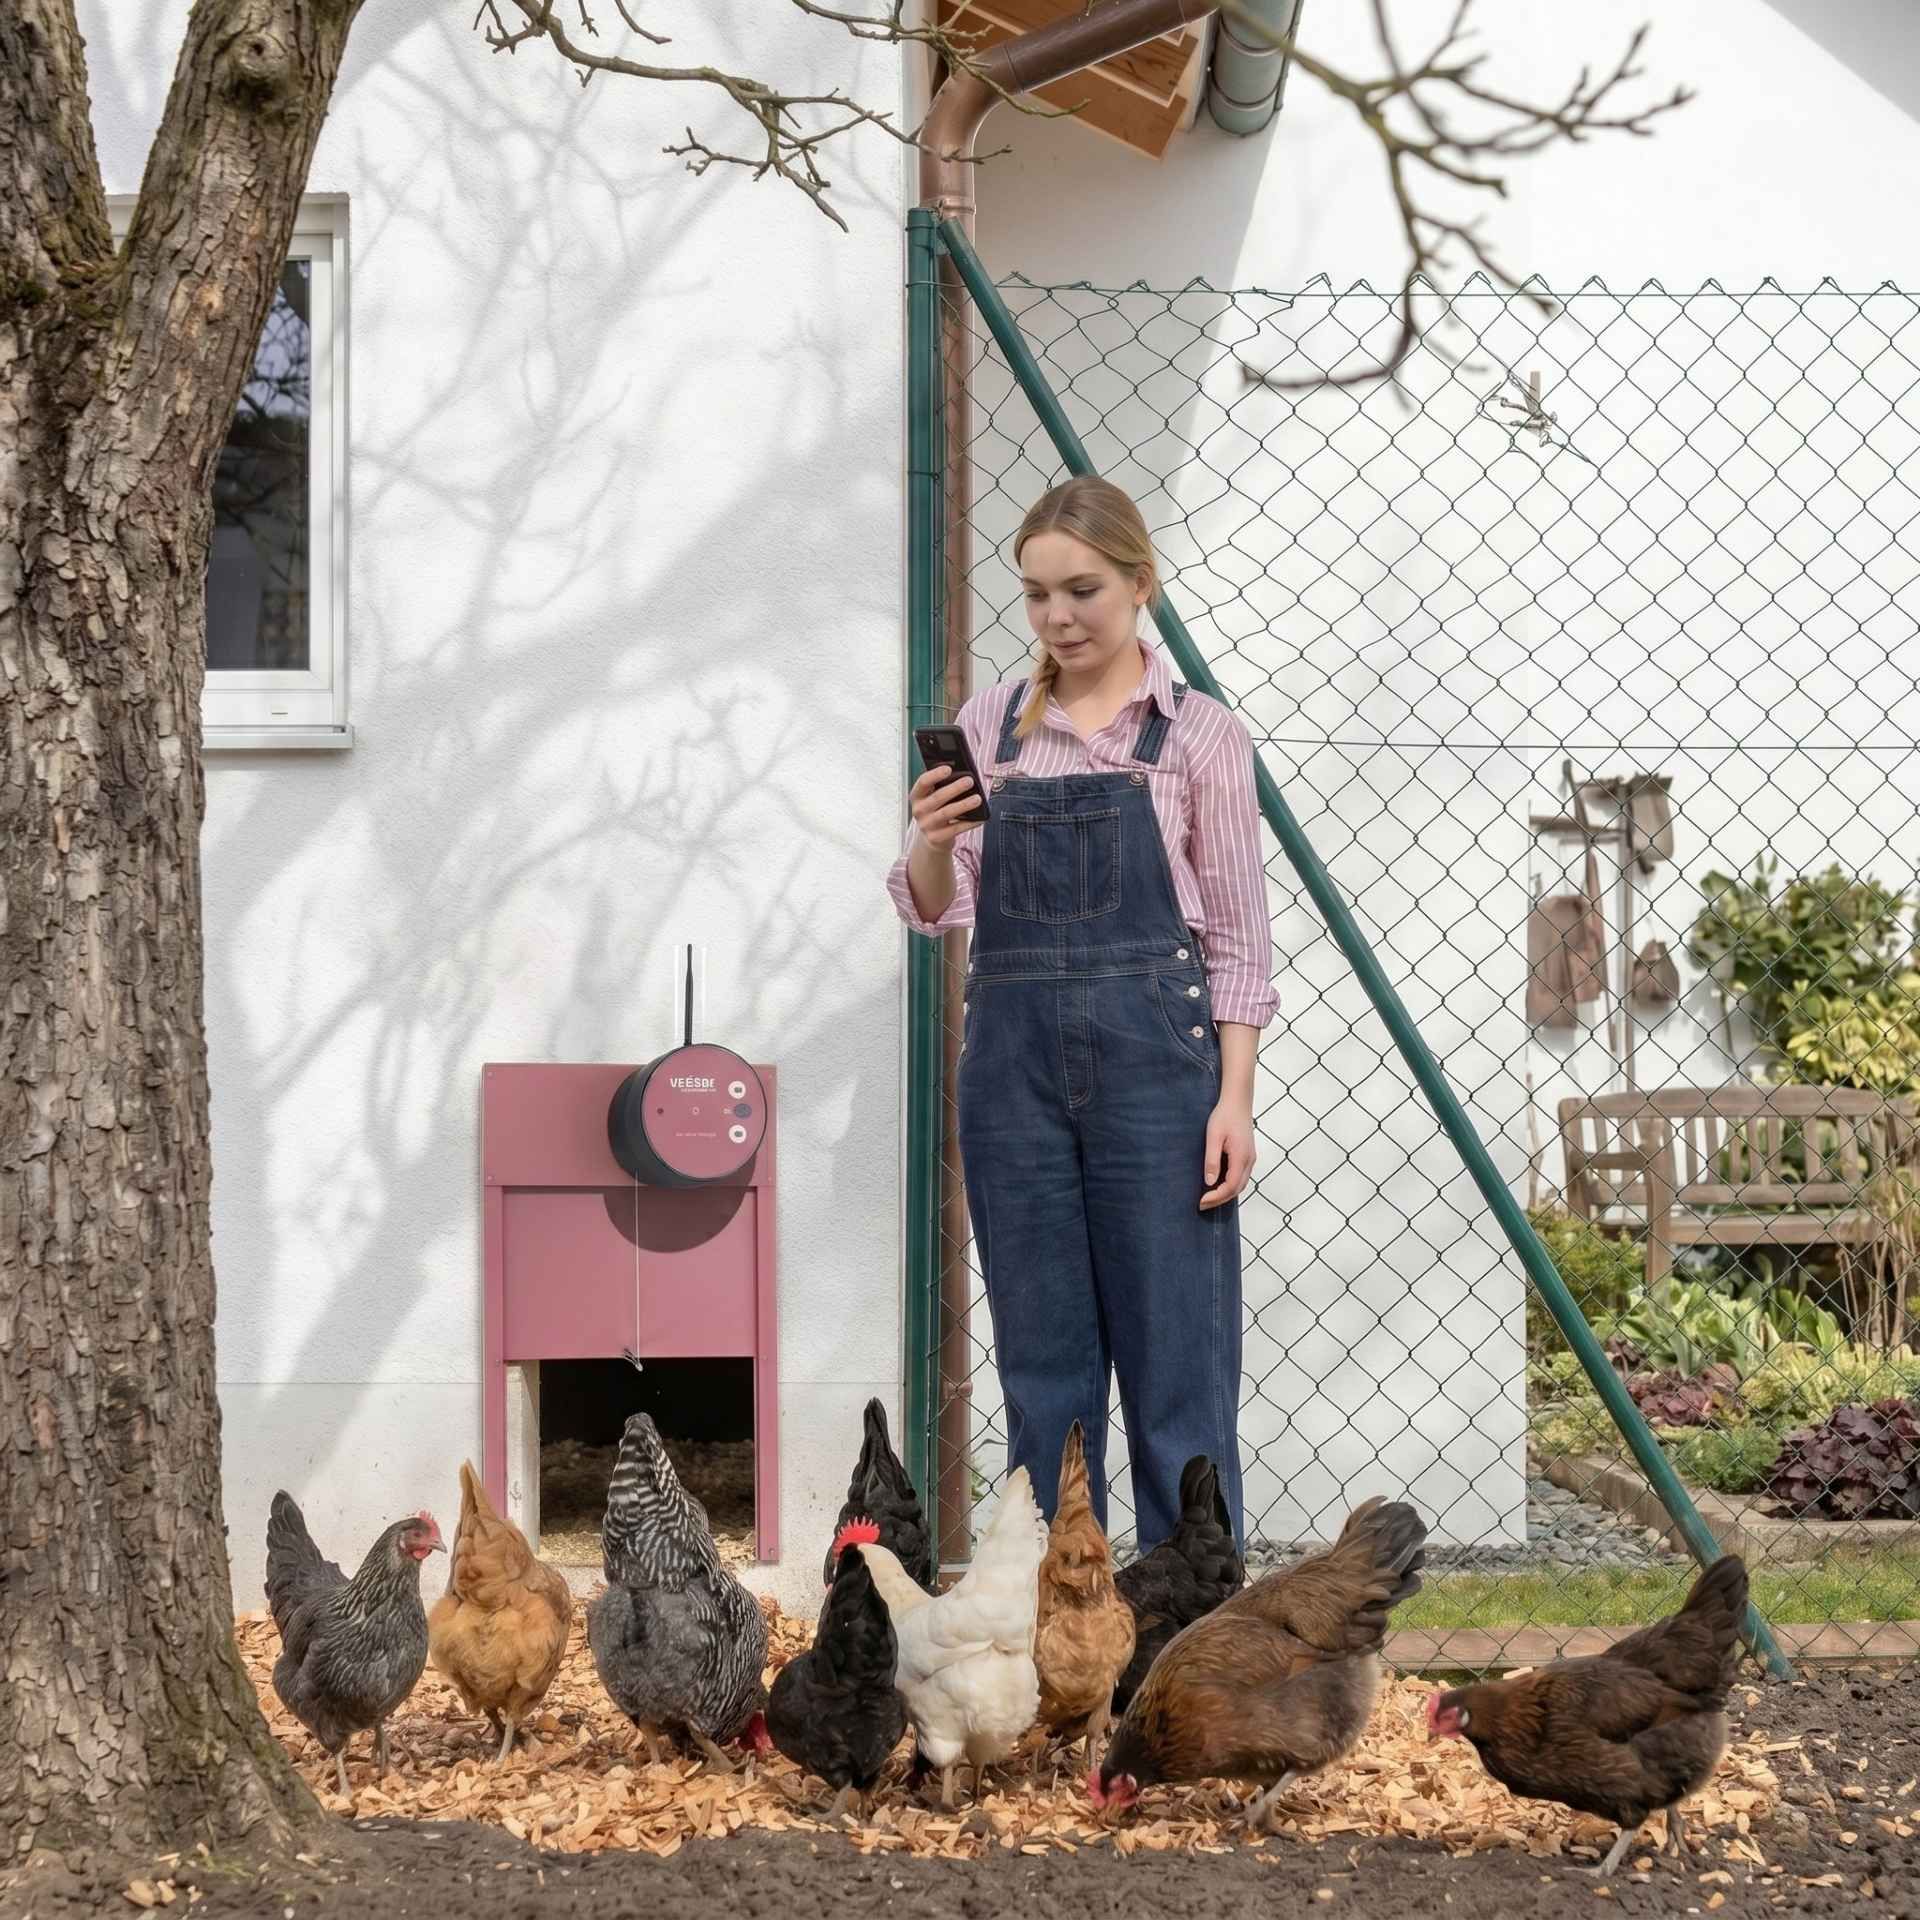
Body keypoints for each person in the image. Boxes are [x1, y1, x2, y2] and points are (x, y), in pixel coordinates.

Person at [886, 475, 1277, 1551]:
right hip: (1013, 1080)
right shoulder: (987, 729)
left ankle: (1188, 1649)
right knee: (1043, 1374)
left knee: (1176, 1373)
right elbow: (935, 908)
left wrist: (1233, 1099)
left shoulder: (1200, 737)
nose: (1059, 618)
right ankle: (1059, 1651)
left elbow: (1240, 940)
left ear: (1140, 584)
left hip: (1162, 1076)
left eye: (1084, 591)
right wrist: (928, 834)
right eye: (1038, 595)